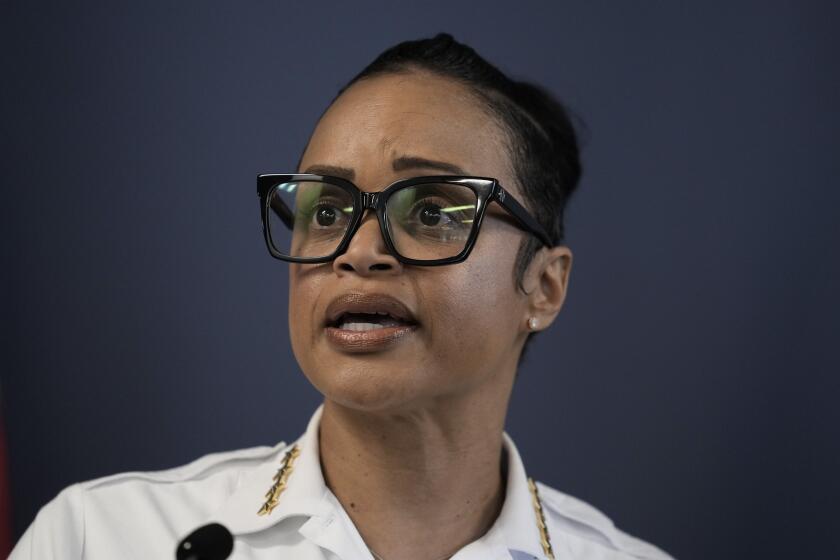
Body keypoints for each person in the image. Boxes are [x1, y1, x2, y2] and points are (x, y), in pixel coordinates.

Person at [11, 34, 673, 560]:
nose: (357, 250)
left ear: (543, 286)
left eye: (433, 211)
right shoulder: (99, 540)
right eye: (325, 211)